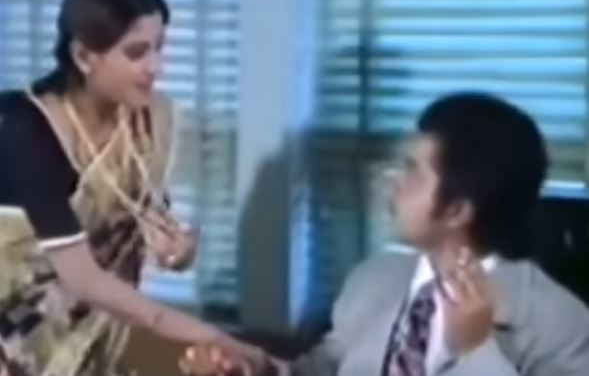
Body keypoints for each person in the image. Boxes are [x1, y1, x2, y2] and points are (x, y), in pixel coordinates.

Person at [182, 93, 589, 375]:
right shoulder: (374, 279)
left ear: (458, 209)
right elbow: (323, 368)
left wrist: (476, 350)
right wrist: (258, 370)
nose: (392, 181)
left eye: (412, 170)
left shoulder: (557, 322)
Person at [0, 0, 268, 376]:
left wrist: (179, 250)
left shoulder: (146, 119)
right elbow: (83, 279)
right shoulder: (28, 129)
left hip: (95, 337)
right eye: (136, 53)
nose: (155, 66)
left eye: (159, 47)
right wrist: (213, 335)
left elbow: (145, 217)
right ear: (84, 56)